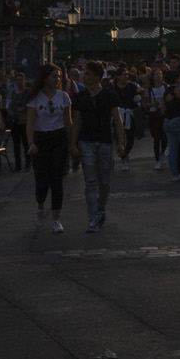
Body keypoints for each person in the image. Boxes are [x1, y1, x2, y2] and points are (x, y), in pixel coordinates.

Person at [23, 63, 77, 232]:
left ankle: (56, 219)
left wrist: (72, 143)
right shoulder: (35, 98)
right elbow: (30, 124)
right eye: (54, 76)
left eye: (59, 77)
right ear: (45, 78)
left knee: (57, 179)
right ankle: (40, 206)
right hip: (41, 139)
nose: (57, 79)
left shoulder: (63, 97)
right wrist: (31, 143)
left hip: (58, 138)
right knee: (42, 181)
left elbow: (68, 122)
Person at [74, 63, 126, 233]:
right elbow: (77, 122)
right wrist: (72, 143)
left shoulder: (109, 96)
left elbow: (117, 119)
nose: (84, 77)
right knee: (90, 181)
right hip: (86, 141)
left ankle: (101, 208)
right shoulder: (80, 97)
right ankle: (92, 217)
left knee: (104, 182)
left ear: (97, 77)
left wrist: (120, 142)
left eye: (87, 74)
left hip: (104, 141)